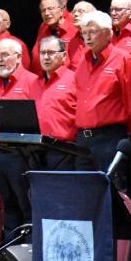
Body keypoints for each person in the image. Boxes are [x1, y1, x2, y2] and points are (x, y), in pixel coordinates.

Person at [0, 38, 42, 231]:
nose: (0, 60)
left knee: (26, 206)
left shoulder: (32, 81)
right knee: (6, 208)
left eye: (5, 55)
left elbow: (39, 116)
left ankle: (29, 246)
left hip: (19, 154)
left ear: (18, 57)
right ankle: (11, 247)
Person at [73, 10, 131, 176]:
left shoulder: (122, 59)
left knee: (111, 186)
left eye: (93, 32)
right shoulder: (82, 60)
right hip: (83, 139)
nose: (87, 37)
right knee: (84, 187)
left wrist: (130, 134)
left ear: (108, 33)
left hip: (109, 136)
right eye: (84, 33)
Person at [36, 35, 79, 169]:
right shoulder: (35, 82)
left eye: (51, 53)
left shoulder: (74, 80)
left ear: (64, 55)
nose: (46, 57)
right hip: (36, 150)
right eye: (42, 53)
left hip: (64, 150)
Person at [30, 0, 79, 74]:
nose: (46, 13)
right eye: (43, 10)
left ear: (61, 11)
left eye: (50, 9)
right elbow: (36, 56)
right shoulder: (43, 27)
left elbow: (77, 61)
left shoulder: (74, 26)